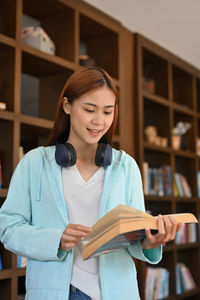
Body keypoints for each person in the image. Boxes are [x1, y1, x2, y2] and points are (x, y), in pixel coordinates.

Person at [0, 67, 183, 300]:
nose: (99, 121)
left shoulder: (126, 167)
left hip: (117, 293)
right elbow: (8, 228)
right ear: (67, 106)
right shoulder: (35, 163)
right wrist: (56, 239)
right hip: (55, 292)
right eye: (89, 109)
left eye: (108, 112)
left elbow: (135, 238)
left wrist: (151, 240)